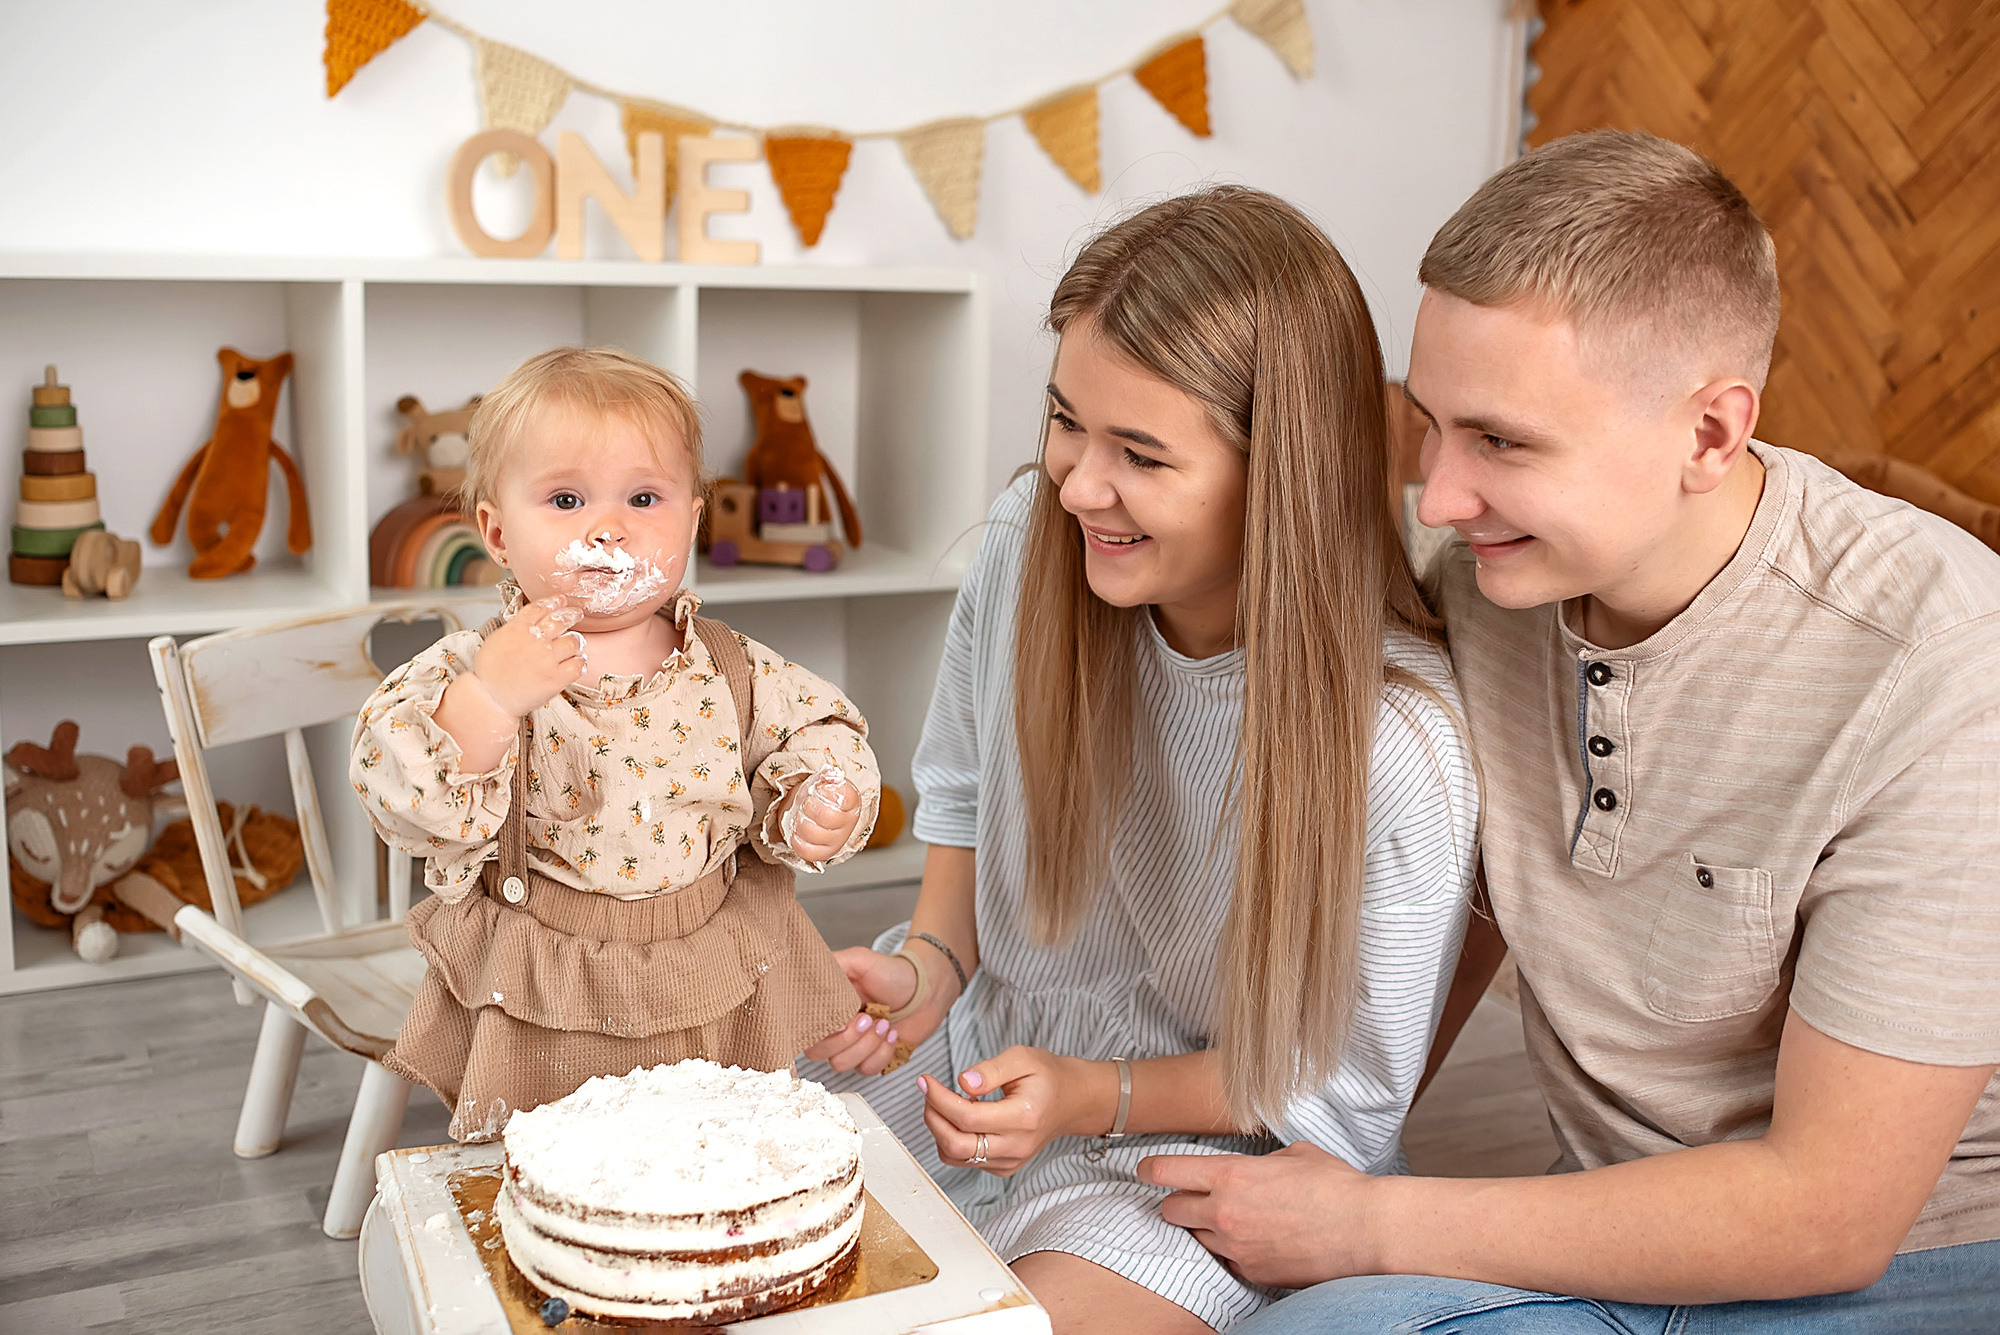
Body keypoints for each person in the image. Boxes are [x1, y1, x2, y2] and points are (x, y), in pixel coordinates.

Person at [1143, 131, 2000, 1331]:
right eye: (1430, 424)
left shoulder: (1937, 659)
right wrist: (1309, 1136)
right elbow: (1477, 902)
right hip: (1611, 1221)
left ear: (1707, 433)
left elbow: (1829, 1212)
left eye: (1500, 441)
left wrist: (1368, 1225)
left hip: (1911, 1265)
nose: (1436, 496)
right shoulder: (1496, 583)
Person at [801, 186, 1481, 1334]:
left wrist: (1093, 1097)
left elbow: (1340, 1098)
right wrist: (928, 966)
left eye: (1140, 454)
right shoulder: (1030, 545)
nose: (1076, 485)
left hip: (1197, 1164)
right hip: (975, 1068)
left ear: (1281, 470)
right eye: (1067, 419)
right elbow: (963, 789)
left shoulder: (1395, 741)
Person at [352, 346, 876, 1142]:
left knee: (715, 1146)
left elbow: (817, 730)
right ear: (496, 531)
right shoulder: (472, 668)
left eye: (644, 496)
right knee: (557, 1169)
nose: (609, 526)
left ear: (692, 520)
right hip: (548, 988)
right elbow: (407, 800)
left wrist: (822, 793)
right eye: (565, 498)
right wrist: (490, 700)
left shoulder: (729, 665)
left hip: (706, 969)